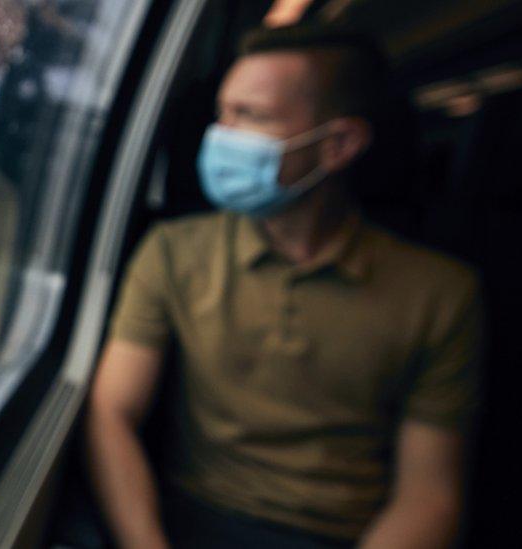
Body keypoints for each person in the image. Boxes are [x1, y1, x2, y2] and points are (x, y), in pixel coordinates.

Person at [84, 24, 482, 549]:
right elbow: (111, 412)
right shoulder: (172, 251)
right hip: (190, 520)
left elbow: (430, 496)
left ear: (339, 144)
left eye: (250, 117)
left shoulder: (442, 293)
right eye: (222, 112)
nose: (221, 135)